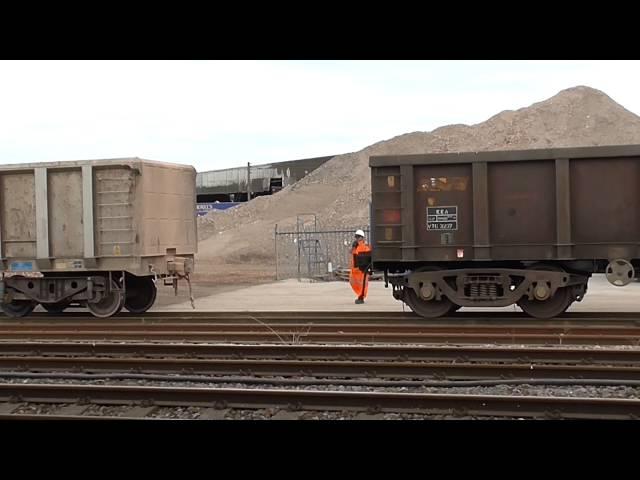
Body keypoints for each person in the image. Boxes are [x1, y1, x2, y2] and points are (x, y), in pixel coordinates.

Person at [349, 229, 372, 304]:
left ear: (362, 237)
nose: (357, 238)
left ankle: (361, 296)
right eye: (356, 236)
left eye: (359, 236)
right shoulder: (355, 246)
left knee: (362, 284)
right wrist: (353, 247)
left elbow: (367, 254)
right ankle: (360, 295)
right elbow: (352, 253)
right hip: (356, 269)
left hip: (362, 269)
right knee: (353, 282)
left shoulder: (365, 246)